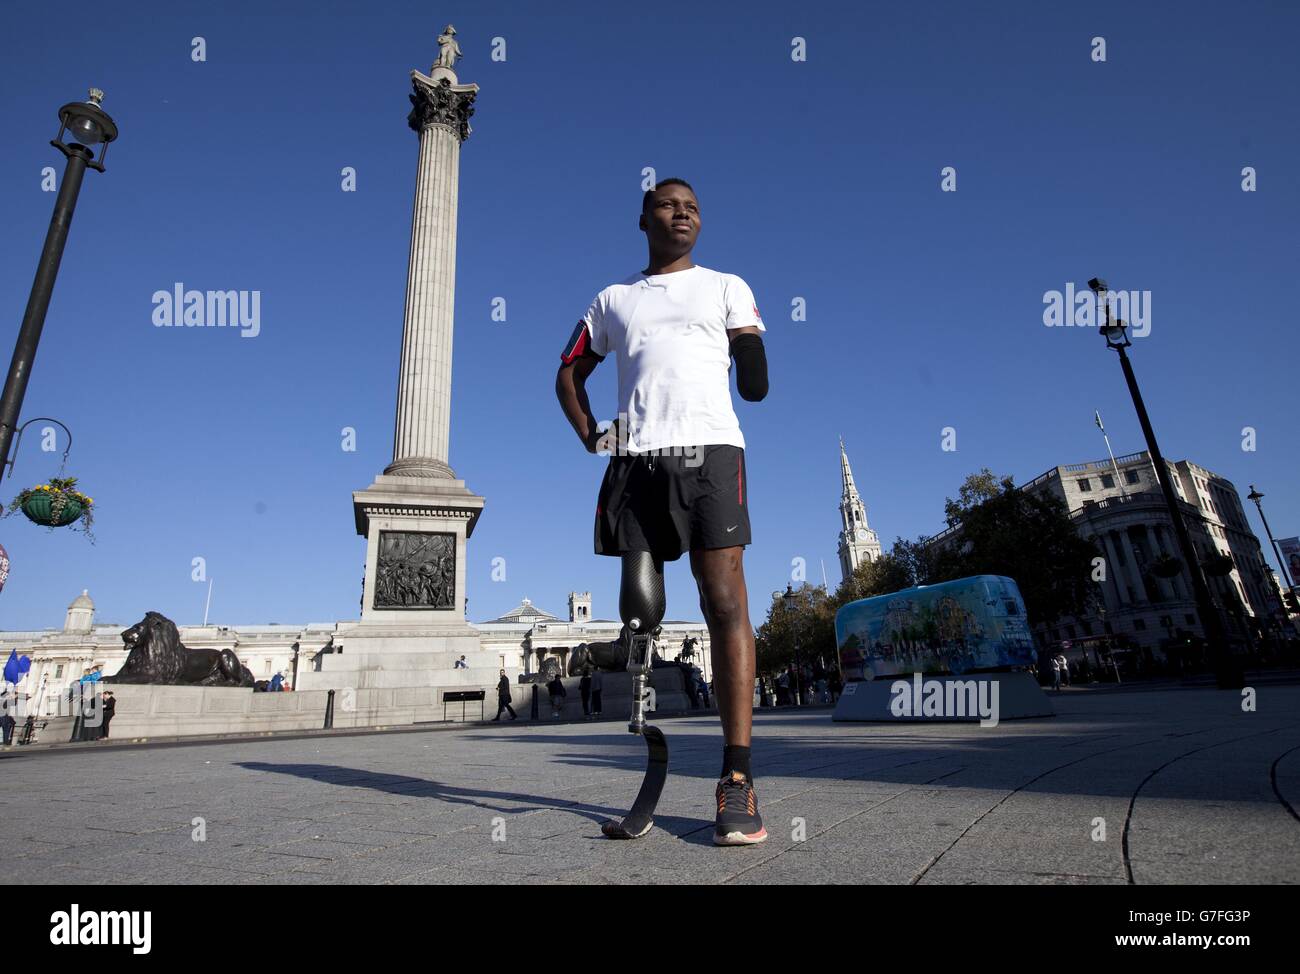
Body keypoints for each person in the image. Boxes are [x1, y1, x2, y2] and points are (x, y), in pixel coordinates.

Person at [555, 178, 770, 846]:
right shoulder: (613, 299)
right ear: (643, 219)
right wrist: (595, 435)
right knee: (638, 610)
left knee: (725, 601)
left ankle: (737, 781)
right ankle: (645, 723)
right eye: (670, 205)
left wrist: (751, 354)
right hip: (636, 462)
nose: (684, 213)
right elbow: (567, 372)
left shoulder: (728, 285)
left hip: (712, 456)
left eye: (695, 207)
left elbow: (755, 380)